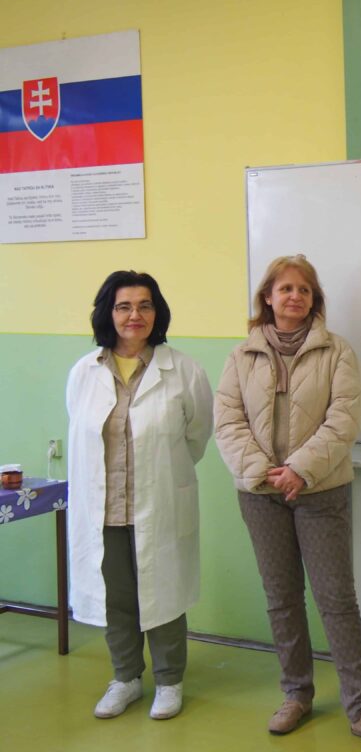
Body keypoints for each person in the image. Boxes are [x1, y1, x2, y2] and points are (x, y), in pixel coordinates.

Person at [214, 254, 361, 750]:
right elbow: (227, 421)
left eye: (304, 289)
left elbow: (344, 419)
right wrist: (262, 472)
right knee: (282, 599)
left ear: (314, 299)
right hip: (260, 494)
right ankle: (296, 694)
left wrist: (300, 468)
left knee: (337, 601)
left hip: (322, 491)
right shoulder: (241, 356)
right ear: (268, 297)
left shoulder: (338, 352)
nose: (294, 296)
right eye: (285, 288)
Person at [67, 270, 214, 721]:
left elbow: (197, 437)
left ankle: (169, 682)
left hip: (160, 503)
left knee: (163, 594)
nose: (135, 315)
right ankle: (126, 678)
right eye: (124, 306)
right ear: (108, 313)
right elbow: (81, 432)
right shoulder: (85, 371)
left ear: (157, 312)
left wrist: (160, 473)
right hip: (105, 508)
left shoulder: (183, 370)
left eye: (145, 305)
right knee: (117, 599)